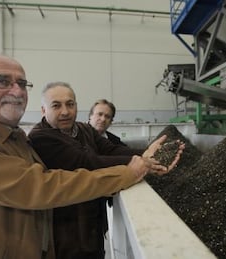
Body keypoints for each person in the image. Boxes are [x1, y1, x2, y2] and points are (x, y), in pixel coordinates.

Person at [0, 53, 182, 259]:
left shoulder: (16, 136)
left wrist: (146, 156)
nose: (16, 91)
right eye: (2, 81)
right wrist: (129, 172)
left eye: (22, 83)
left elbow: (109, 150)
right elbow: (39, 185)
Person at [28, 82, 185, 259]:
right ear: (43, 110)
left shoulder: (84, 129)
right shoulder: (40, 137)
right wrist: (142, 162)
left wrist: (147, 154)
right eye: (56, 106)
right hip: (64, 227)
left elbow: (110, 149)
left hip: (92, 219)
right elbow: (86, 161)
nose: (65, 111)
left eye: (70, 104)